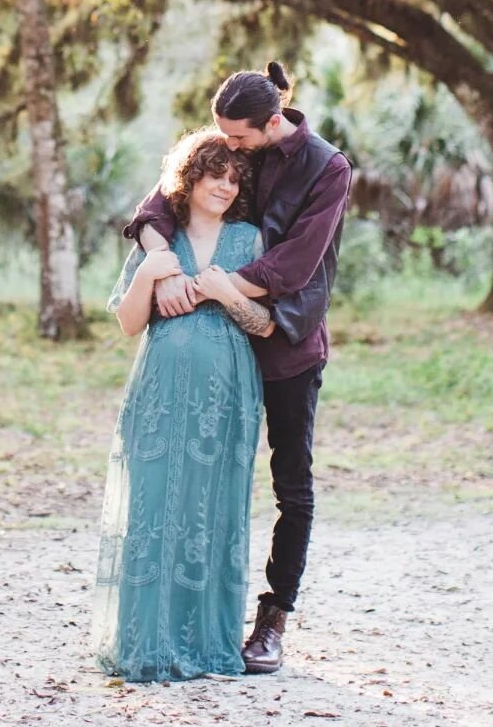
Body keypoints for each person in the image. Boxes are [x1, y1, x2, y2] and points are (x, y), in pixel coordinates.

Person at [123, 60, 352, 676]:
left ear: (272, 122)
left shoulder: (328, 169)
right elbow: (163, 200)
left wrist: (207, 288)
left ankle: (273, 617)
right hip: (213, 345)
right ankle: (179, 613)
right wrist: (160, 258)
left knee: (291, 484)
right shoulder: (235, 141)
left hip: (284, 342)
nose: (229, 148)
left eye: (239, 139)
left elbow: (293, 267)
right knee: (201, 478)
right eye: (222, 137)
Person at [91, 130, 278, 683]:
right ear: (189, 178)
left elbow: (267, 324)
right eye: (214, 174)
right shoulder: (157, 245)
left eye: (233, 178)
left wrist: (226, 293)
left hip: (225, 399)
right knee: (152, 511)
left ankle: (205, 645)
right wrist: (151, 273)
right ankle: (145, 645)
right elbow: (128, 324)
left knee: (209, 511)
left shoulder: (250, 240)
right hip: (158, 397)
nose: (224, 185)